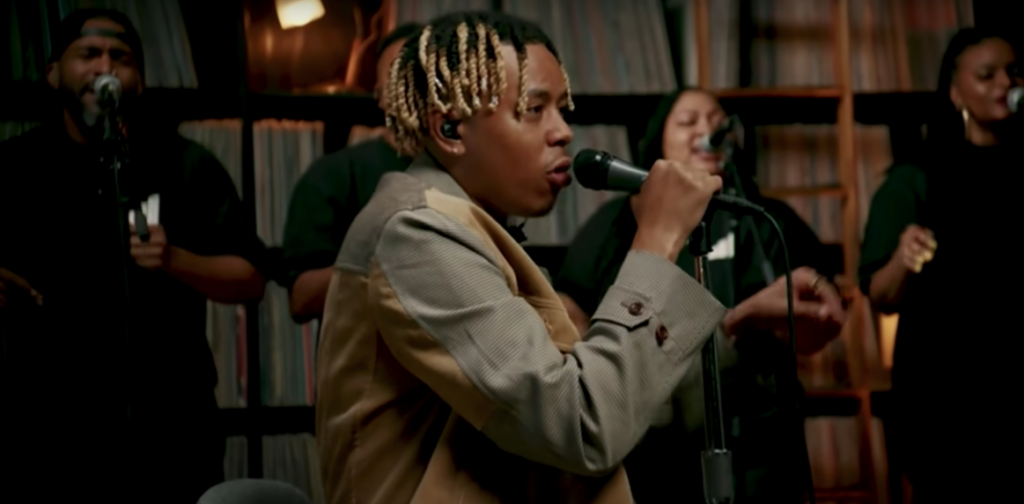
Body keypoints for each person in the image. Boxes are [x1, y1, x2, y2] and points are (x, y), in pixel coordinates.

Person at [314, 11, 833, 503]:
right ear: (449, 130)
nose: (563, 131)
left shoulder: (472, 228)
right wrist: (657, 239)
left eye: (563, 109)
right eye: (533, 109)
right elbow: (582, 426)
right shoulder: (417, 233)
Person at [0, 9, 268, 503]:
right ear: (54, 72)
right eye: (89, 54)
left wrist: (175, 260)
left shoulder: (185, 164)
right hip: (47, 431)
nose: (105, 67)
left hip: (172, 433)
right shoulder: (14, 166)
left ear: (138, 80)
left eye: (120, 57)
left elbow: (250, 278)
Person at [554, 88, 846, 503]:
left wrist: (816, 311)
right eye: (688, 121)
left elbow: (816, 314)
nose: (706, 129)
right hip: (656, 452)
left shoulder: (762, 218)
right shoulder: (616, 224)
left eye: (715, 121)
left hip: (759, 443)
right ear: (658, 142)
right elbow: (570, 316)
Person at [858, 28, 1023, 501]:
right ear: (955, 93)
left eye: (1013, 73)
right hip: (946, 397)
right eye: (987, 75)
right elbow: (881, 294)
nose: (1005, 84)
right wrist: (904, 259)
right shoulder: (915, 180)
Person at [283, 23, 421, 324]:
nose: (415, 88)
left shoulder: (478, 173)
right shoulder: (332, 176)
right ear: (380, 95)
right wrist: (385, 262)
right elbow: (302, 298)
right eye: (399, 76)